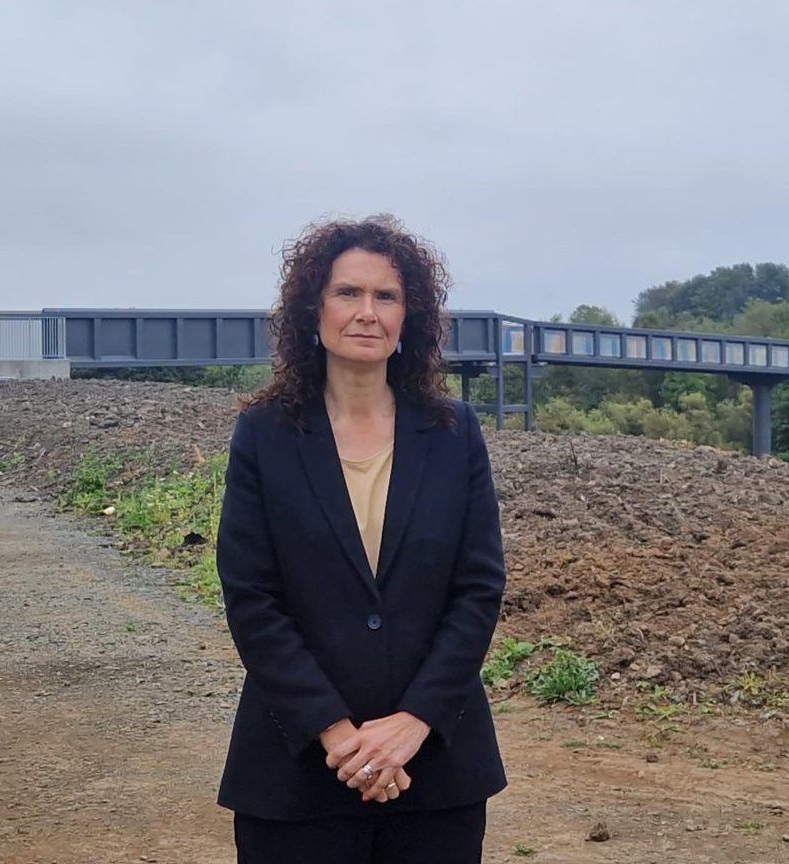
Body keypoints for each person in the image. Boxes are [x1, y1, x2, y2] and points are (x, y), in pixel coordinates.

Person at [215, 215, 508, 863]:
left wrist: (413, 723)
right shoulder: (264, 434)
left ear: (412, 316)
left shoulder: (454, 432)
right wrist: (337, 734)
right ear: (311, 309)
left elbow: (477, 589)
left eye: (386, 296)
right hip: (294, 771)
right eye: (348, 293)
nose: (366, 312)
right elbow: (252, 596)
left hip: (434, 769)